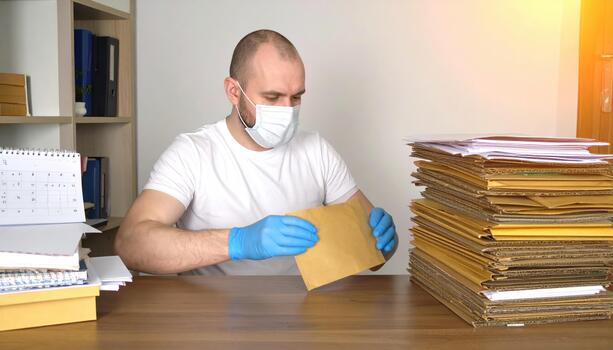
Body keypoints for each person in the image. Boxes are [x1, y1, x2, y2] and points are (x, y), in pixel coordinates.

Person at [115, 29, 397, 275]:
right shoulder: (193, 153)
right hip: (215, 320)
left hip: (305, 319)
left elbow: (376, 259)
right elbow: (131, 243)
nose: (287, 110)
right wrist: (238, 242)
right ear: (234, 92)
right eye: (272, 97)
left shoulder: (317, 151)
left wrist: (384, 242)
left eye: (296, 97)